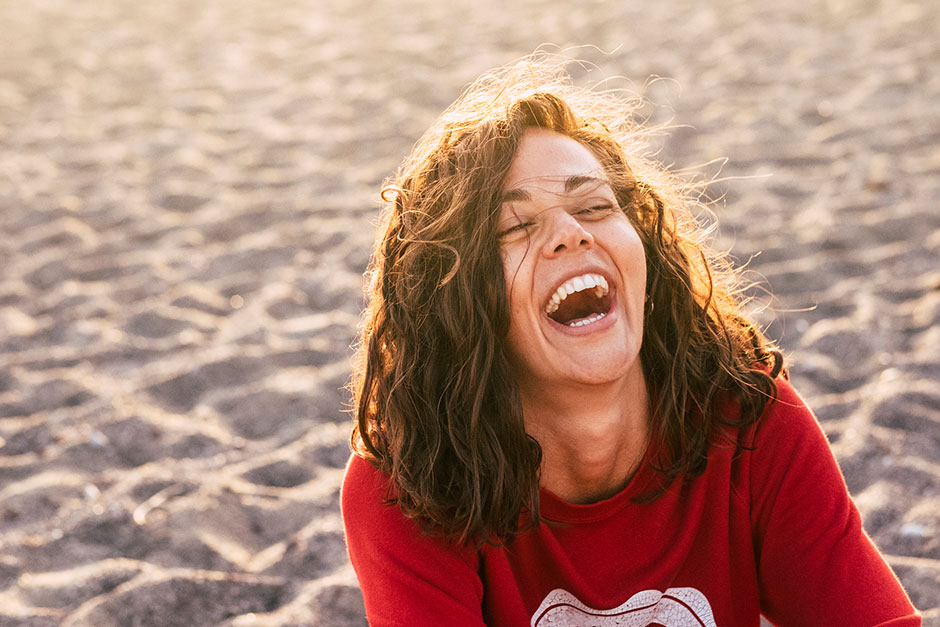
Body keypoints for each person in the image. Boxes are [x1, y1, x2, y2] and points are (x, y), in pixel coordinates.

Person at [340, 56, 921, 626]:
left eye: (594, 206)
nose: (570, 233)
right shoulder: (411, 485)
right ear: (456, 301)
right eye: (515, 226)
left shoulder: (750, 422)